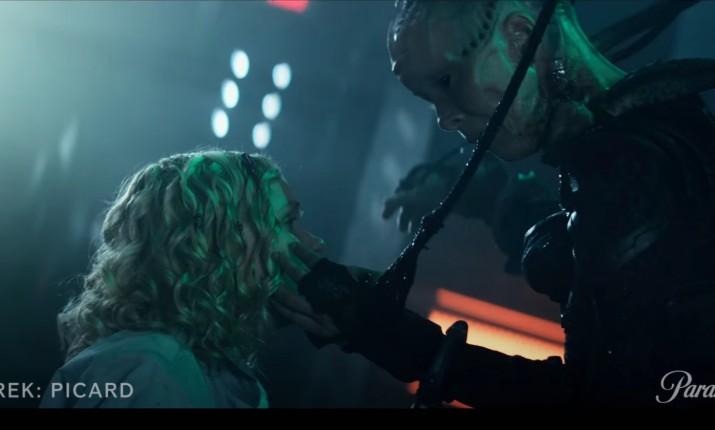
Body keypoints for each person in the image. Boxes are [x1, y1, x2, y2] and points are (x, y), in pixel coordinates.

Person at [272, 0, 715, 407]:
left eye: (447, 81)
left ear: (519, 37)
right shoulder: (647, 144)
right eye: (431, 98)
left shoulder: (635, 168)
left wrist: (398, 341)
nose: (445, 119)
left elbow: (601, 399)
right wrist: (488, 200)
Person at [40, 150, 332, 408]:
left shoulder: (179, 368)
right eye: (288, 222)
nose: (316, 243)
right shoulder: (154, 371)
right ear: (221, 243)